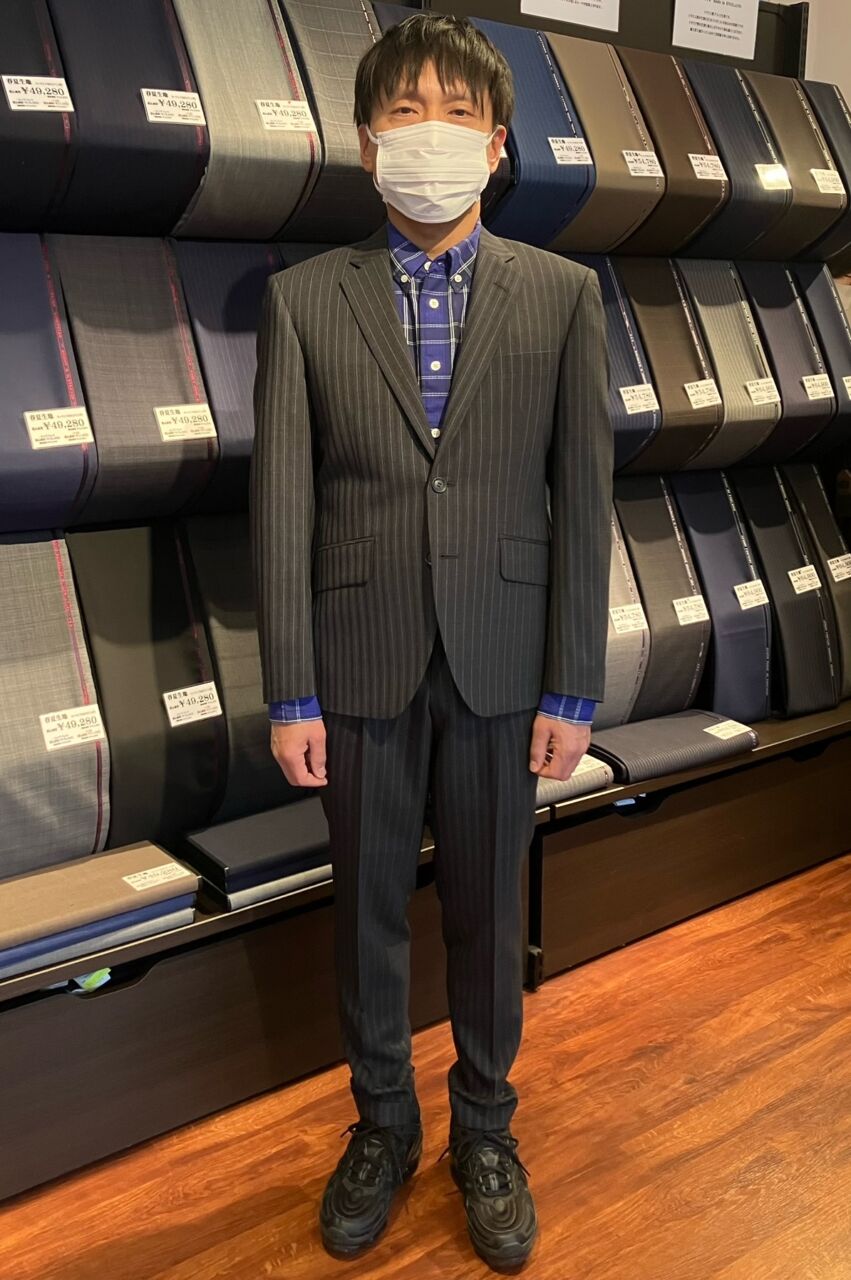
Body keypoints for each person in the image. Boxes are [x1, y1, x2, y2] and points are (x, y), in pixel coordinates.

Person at [250, 12, 612, 1272]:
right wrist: (287, 690)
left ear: (497, 144)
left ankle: (487, 1129)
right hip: (356, 657)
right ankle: (381, 1123)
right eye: (403, 110)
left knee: (487, 909)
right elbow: (281, 507)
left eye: (456, 112)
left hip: (505, 657)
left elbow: (583, 497)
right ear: (365, 142)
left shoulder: (562, 295)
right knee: (365, 911)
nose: (429, 133)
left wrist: (575, 681)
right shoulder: (303, 301)